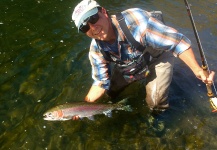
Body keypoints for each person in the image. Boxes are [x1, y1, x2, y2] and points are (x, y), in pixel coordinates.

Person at [72, 0, 215, 113]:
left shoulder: (137, 23)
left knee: (155, 103)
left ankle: (157, 119)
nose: (92, 27)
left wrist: (197, 71)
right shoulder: (96, 50)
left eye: (93, 18)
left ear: (103, 12)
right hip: (130, 64)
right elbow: (101, 82)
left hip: (158, 58)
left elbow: (177, 43)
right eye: (85, 27)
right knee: (110, 92)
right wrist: (82, 107)